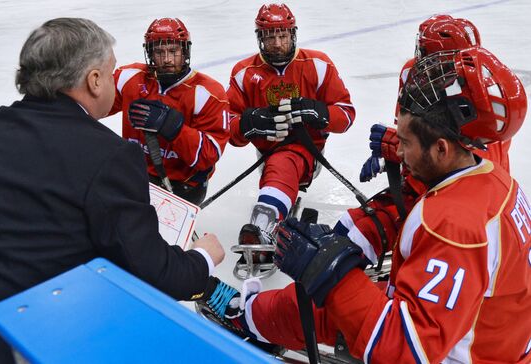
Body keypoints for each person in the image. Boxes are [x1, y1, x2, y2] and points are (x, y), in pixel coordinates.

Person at [202, 47, 530, 363]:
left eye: (405, 144)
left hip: (464, 354)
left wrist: (332, 272)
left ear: (441, 149)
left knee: (334, 297)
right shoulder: (493, 181)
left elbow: (403, 350)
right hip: (483, 336)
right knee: (330, 303)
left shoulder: (453, 226)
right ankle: (250, 314)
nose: (398, 154)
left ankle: (249, 316)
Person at [0, 18, 225, 364]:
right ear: (94, 81)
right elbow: (154, 275)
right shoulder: (110, 156)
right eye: (110, 73)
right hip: (27, 338)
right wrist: (202, 258)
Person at [337, 15, 516, 269]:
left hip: (462, 210)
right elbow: (413, 131)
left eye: (427, 56)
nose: (422, 66)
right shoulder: (413, 73)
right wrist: (395, 150)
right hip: (421, 184)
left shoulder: (482, 102)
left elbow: (466, 172)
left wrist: (392, 146)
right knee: (344, 237)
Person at [227, 3, 356, 278]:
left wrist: (318, 112)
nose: (277, 43)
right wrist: (249, 122)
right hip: (265, 153)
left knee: (284, 162)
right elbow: (228, 128)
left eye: (282, 35)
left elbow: (346, 114)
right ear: (260, 37)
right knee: (277, 163)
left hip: (307, 151)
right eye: (270, 36)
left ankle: (262, 227)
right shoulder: (243, 73)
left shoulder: (318, 65)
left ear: (293, 34)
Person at [109, 18, 230, 205]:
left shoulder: (208, 93)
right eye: (159, 52)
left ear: (185, 51)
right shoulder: (129, 78)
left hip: (183, 185)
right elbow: (90, 105)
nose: (166, 60)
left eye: (173, 51)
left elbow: (209, 154)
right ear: (150, 53)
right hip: (136, 175)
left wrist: (174, 128)